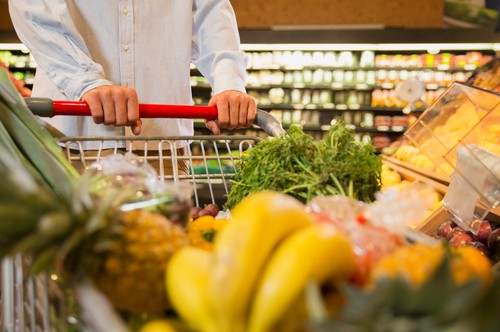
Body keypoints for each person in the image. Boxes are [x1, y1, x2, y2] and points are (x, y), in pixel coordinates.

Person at [8, 1, 256, 154]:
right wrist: (86, 81)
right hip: (68, 141)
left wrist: (229, 83)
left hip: (163, 145)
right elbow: (32, 6)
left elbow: (212, 14)